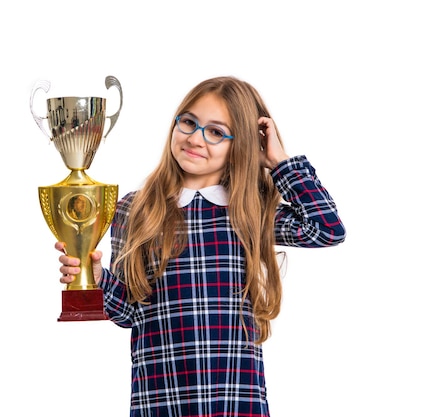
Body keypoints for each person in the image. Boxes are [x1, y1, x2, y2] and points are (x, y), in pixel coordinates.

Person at [54, 76, 346, 417]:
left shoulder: (249, 210)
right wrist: (97, 276)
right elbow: (131, 312)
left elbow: (327, 229)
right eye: (189, 122)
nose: (195, 138)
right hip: (161, 401)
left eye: (216, 132)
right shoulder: (134, 209)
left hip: (237, 403)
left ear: (242, 146)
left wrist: (280, 161)